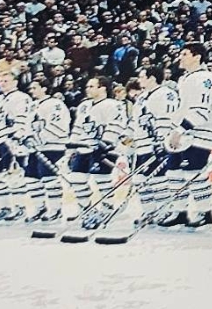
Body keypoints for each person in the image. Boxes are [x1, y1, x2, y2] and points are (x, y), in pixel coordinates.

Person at [162, 44, 212, 228]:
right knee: (173, 172)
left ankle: (205, 212)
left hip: (200, 132)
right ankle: (179, 211)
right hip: (184, 131)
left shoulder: (206, 78)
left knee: (193, 172)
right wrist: (174, 129)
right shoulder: (185, 78)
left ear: (197, 57)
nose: (180, 57)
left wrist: (180, 129)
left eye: (185, 54)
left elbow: (200, 111)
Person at [66, 75, 128, 213]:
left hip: (103, 149)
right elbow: (78, 127)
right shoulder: (83, 106)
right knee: (76, 179)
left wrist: (105, 143)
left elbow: (116, 124)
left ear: (102, 88)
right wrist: (72, 146)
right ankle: (87, 209)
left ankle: (108, 207)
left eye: (91, 86)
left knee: (101, 179)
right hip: (84, 148)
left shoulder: (113, 105)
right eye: (87, 86)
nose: (87, 89)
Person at [0, 67, 34, 222]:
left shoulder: (21, 97)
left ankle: (19, 207)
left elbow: (23, 119)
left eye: (6, 81)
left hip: (12, 140)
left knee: (14, 176)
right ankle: (4, 208)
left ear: (15, 82)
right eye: (0, 81)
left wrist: (18, 137)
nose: (3, 84)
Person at [133, 68, 183, 226]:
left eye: (142, 77)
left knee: (158, 179)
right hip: (141, 145)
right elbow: (136, 121)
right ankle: (149, 211)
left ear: (152, 78)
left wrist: (162, 142)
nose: (139, 80)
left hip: (155, 145)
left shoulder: (166, 94)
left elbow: (167, 119)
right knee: (139, 180)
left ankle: (164, 210)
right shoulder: (142, 97)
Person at [24, 77, 71, 223]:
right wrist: (26, 138)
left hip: (52, 146)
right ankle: (39, 207)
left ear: (44, 88)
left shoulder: (55, 104)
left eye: (35, 87)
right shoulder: (32, 106)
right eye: (31, 88)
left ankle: (55, 209)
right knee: (31, 178)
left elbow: (58, 124)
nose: (31, 91)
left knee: (49, 179)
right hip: (35, 148)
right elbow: (27, 125)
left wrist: (39, 138)